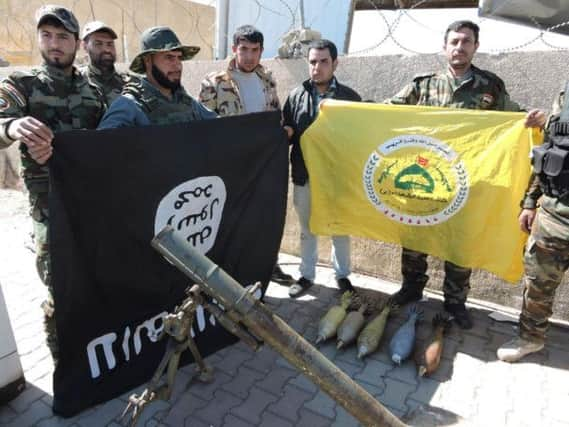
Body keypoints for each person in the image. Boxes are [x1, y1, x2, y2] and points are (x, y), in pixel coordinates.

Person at [387, 20, 545, 329]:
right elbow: (385, 112)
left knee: (460, 243)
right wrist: (341, 109)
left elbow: (515, 118)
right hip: (426, 178)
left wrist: (535, 119)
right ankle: (411, 288)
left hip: (467, 181)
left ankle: (455, 301)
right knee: (415, 235)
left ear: (475, 46)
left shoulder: (490, 87)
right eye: (454, 41)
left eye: (466, 42)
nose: (460, 47)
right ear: (445, 47)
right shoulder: (423, 85)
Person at [0, 5, 105, 363]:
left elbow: (110, 141)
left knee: (94, 272)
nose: (54, 44)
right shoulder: (22, 84)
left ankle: (93, 343)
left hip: (90, 201)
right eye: (47, 35)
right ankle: (64, 361)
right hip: (49, 205)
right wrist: (14, 127)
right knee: (59, 283)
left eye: (62, 37)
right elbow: (2, 118)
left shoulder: (93, 91)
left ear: (76, 42)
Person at [199, 24, 293, 285]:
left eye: (254, 50)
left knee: (265, 217)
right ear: (234, 49)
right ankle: (227, 274)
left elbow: (275, 115)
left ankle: (268, 265)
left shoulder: (268, 80)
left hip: (261, 164)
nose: (249, 56)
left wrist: (281, 130)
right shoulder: (215, 83)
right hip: (229, 165)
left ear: (262, 51)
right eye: (243, 49)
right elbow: (203, 125)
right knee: (229, 220)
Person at [283, 39, 361, 298]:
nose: (317, 67)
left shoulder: (350, 98)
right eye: (313, 62)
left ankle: (342, 277)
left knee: (339, 228)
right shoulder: (296, 96)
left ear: (335, 63)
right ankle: (306, 276)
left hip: (337, 179)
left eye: (323, 61)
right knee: (308, 229)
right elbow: (288, 133)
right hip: (305, 176)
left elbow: (358, 138)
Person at [497, 90, 567, 362]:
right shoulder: (565, 92)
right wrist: (530, 201)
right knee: (538, 282)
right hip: (555, 213)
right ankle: (530, 338)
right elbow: (551, 150)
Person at [98, 26, 215, 129]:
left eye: (179, 58)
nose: (177, 64)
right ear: (148, 60)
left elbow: (218, 126)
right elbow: (103, 146)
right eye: (169, 57)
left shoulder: (186, 101)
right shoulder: (129, 105)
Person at [80, 20, 129, 105]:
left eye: (110, 44)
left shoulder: (128, 84)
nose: (106, 49)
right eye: (98, 44)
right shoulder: (76, 81)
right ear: (85, 46)